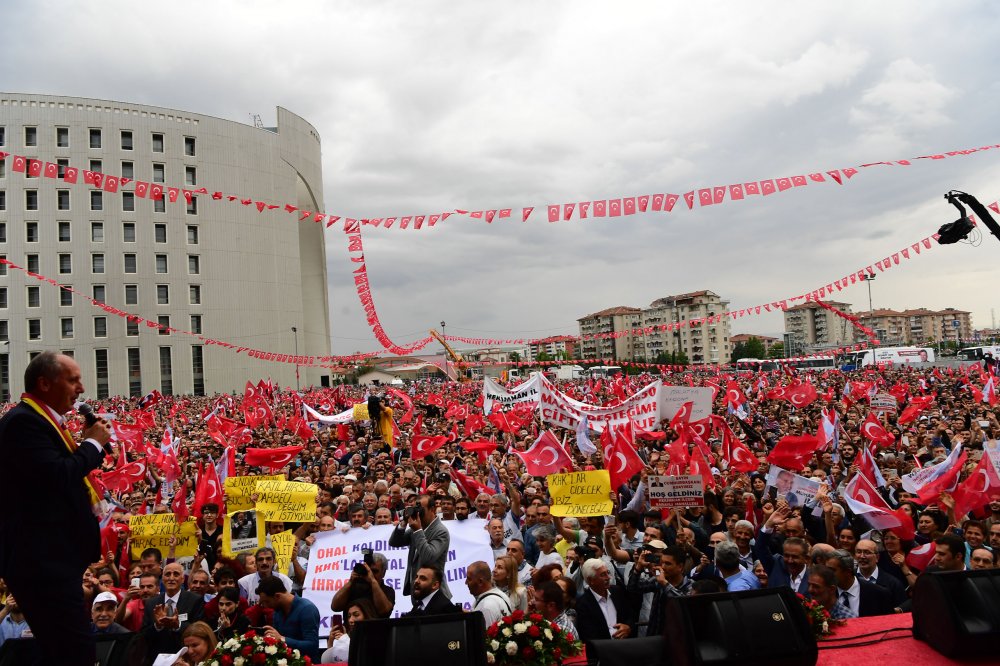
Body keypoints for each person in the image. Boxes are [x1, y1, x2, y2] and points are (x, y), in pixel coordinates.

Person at [0, 352, 113, 666]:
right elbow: (57, 475)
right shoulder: (23, 422)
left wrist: (93, 445)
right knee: (73, 653)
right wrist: (91, 444)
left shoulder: (43, 422)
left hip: (53, 561)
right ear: (44, 383)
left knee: (67, 650)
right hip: (42, 562)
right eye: (73, 380)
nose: (81, 388)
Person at [389, 494, 452, 599]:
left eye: (421, 509)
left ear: (432, 509)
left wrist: (418, 530)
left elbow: (428, 557)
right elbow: (394, 542)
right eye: (416, 509)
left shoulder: (441, 531)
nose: (418, 513)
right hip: (418, 592)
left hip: (435, 594)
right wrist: (403, 523)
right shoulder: (418, 528)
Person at [575, 558, 635, 664]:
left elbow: (630, 616)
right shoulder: (583, 604)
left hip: (626, 650)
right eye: (602, 575)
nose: (608, 577)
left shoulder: (618, 592)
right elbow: (589, 637)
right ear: (591, 580)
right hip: (602, 656)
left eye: (607, 573)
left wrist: (628, 627)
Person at [142, 562, 205, 661]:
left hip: (186, 657)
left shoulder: (195, 600)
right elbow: (143, 635)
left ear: (183, 579)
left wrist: (178, 625)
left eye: (176, 574)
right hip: (158, 657)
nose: (171, 578)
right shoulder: (151, 603)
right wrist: (157, 626)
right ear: (162, 579)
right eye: (167, 574)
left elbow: (200, 630)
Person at [257, 576, 321, 662]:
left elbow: (312, 646)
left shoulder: (307, 609)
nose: (266, 606)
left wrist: (282, 639)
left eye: (267, 601)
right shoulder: (277, 611)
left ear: (277, 596)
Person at [824, 550, 893, 617]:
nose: (827, 574)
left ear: (848, 571)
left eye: (832, 570)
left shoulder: (878, 594)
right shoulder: (825, 593)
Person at [331, 552, 395, 618]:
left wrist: (372, 581)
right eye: (368, 570)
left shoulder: (388, 591)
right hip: (353, 627)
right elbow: (335, 607)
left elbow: (384, 611)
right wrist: (350, 581)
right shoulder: (355, 588)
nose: (370, 574)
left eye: (374, 571)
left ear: (383, 573)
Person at [321, 598, 377, 664]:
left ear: (366, 615)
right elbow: (332, 661)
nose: (351, 620)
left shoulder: (374, 638)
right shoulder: (348, 636)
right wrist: (331, 642)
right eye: (349, 616)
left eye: (356, 615)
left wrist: (345, 640)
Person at [466, 561, 513, 627]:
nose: (466, 582)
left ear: (480, 582)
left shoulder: (486, 607)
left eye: (469, 579)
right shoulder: (502, 595)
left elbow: (484, 636)